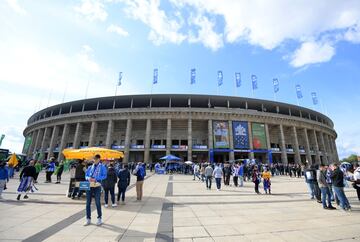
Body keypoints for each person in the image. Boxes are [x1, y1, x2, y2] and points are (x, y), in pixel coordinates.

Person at [84, 154, 107, 226]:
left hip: (97, 185)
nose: (95, 160)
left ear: (99, 159)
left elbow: (104, 176)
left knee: (97, 202)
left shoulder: (102, 167)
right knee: (88, 202)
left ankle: (99, 218)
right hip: (89, 185)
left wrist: (96, 178)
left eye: (96, 159)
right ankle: (88, 218)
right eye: (94, 159)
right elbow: (86, 175)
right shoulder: (90, 167)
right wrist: (88, 178)